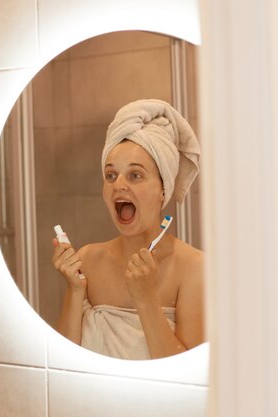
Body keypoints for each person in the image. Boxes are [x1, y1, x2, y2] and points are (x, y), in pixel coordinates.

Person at [51, 99, 203, 360]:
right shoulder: (87, 259)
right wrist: (75, 290)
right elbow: (63, 363)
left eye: (135, 175)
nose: (118, 185)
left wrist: (145, 299)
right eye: (111, 176)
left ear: (163, 190)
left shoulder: (194, 268)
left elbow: (187, 378)